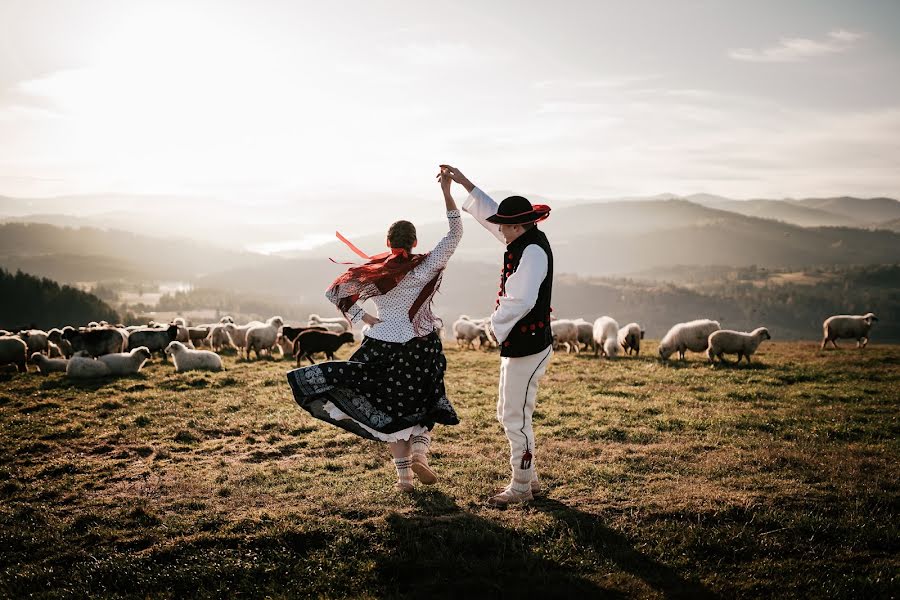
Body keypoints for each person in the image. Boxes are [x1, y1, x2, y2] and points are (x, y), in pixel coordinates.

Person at [286, 171, 462, 492]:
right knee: (425, 402)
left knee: (390, 409)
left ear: (387, 243)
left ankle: (404, 480)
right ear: (414, 243)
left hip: (381, 344)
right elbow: (455, 231)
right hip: (422, 346)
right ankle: (421, 452)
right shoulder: (426, 265)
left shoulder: (375, 273)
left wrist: (364, 318)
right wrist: (448, 192)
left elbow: (334, 292)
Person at [441, 164, 554, 507]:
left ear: (518, 226)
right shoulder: (525, 237)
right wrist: (464, 184)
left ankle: (520, 486)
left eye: (505, 227)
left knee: (514, 416)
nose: (500, 231)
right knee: (511, 411)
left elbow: (520, 298)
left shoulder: (531, 251)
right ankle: (529, 479)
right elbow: (492, 212)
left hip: (527, 345)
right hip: (520, 344)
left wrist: (491, 326)